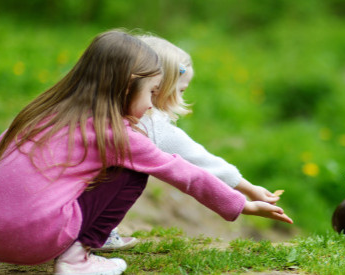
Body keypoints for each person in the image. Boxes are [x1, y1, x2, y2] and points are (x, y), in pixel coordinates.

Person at [0, 30, 293, 275]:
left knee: (5, 181)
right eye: (151, 92)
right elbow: (183, 171)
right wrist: (241, 204)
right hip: (38, 241)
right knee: (133, 171)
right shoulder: (117, 134)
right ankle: (75, 260)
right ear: (127, 85)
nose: (151, 104)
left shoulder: (42, 112)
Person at [97, 34, 284, 251]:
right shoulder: (152, 125)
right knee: (132, 177)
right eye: (181, 91)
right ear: (158, 86)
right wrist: (249, 191)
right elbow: (198, 162)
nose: (183, 99)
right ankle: (98, 232)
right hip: (84, 205)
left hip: (64, 198)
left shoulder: (94, 109)